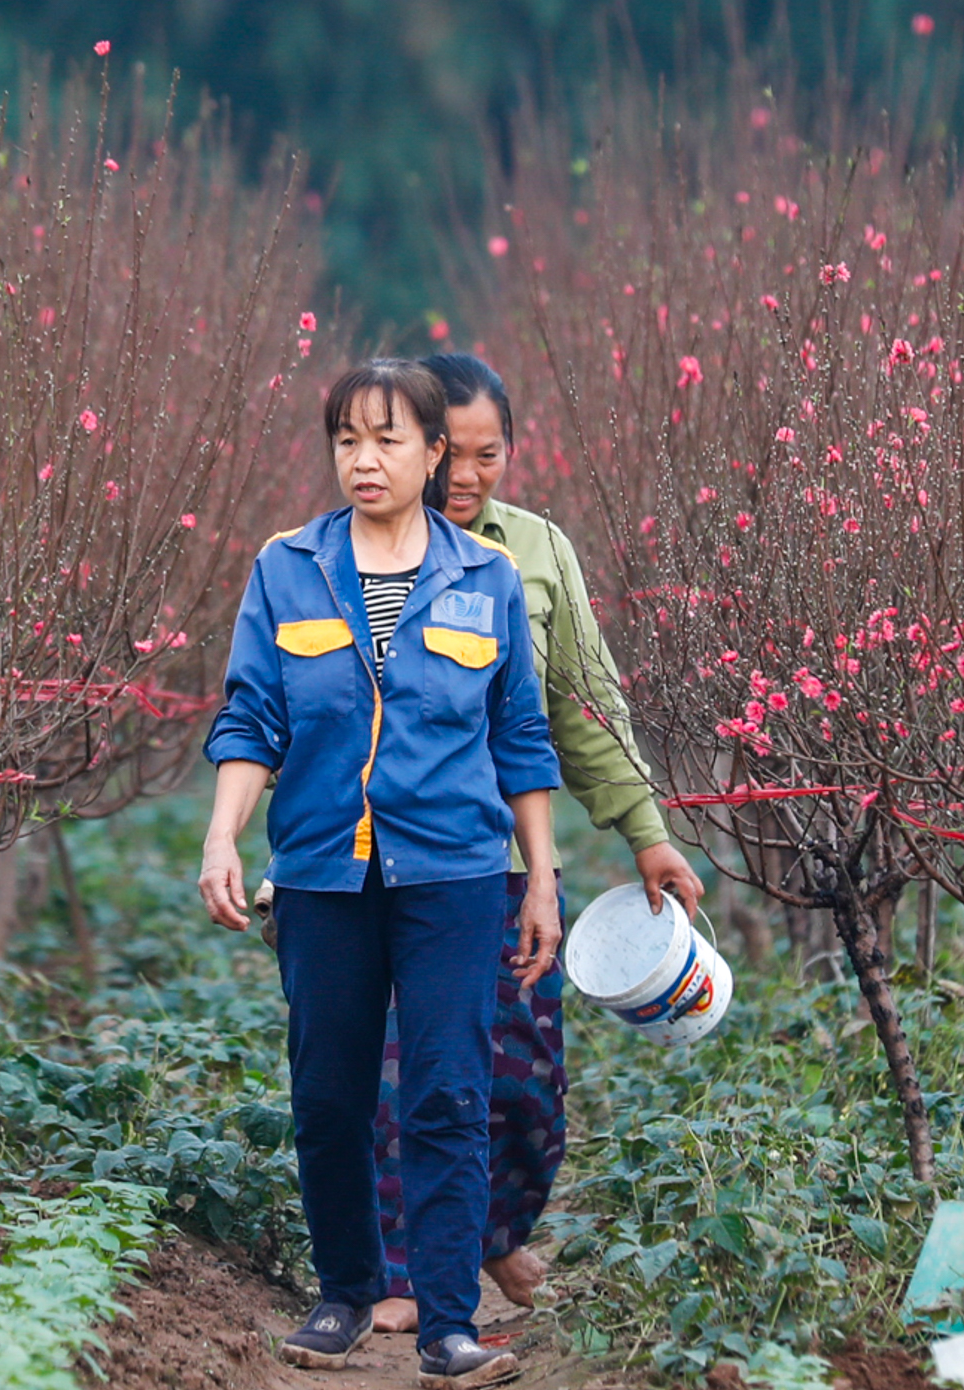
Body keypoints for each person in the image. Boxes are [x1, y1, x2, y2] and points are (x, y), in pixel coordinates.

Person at [200, 359, 563, 1388]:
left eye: (388, 439)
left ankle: (449, 1319)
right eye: (347, 440)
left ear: (433, 453)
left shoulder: (482, 579)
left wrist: (537, 879)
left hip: (451, 874)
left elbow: (520, 738)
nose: (364, 459)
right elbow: (250, 717)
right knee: (327, 1093)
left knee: (447, 1094)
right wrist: (222, 837)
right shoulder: (287, 569)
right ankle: (346, 1291)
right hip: (320, 872)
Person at [367, 353, 706, 1334]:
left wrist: (645, 835)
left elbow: (582, 704)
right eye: (447, 457)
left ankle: (493, 1229)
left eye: (488, 455)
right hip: (391, 862)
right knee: (407, 1074)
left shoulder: (537, 553)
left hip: (512, 864)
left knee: (524, 1081)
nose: (465, 478)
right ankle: (401, 1273)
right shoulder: (357, 554)